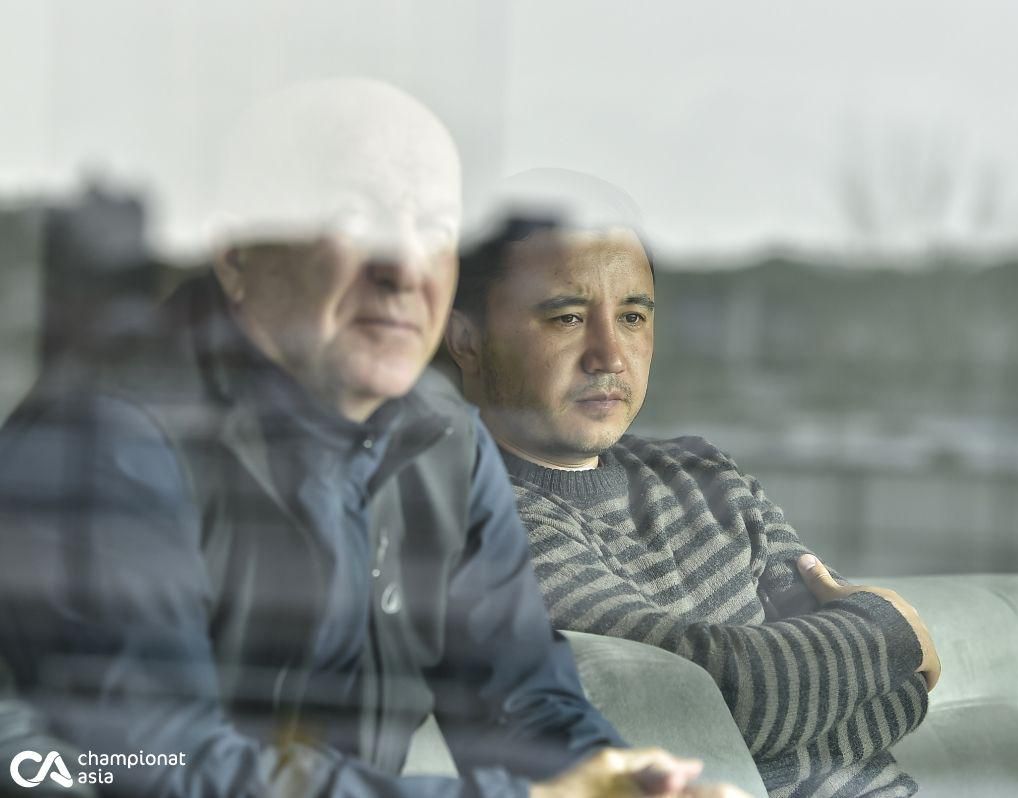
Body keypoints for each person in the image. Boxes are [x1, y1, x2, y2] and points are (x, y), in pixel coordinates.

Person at [0, 82, 735, 798]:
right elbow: (153, 765)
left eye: (437, 228)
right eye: (355, 220)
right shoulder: (108, 443)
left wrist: (618, 783)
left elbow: (525, 703)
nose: (405, 268)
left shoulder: (442, 438)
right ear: (237, 254)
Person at [444, 171, 942, 798]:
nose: (609, 355)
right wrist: (891, 631)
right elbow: (718, 697)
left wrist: (846, 675)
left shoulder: (704, 474)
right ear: (467, 340)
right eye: (567, 318)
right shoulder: (477, 518)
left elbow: (894, 690)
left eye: (632, 316)